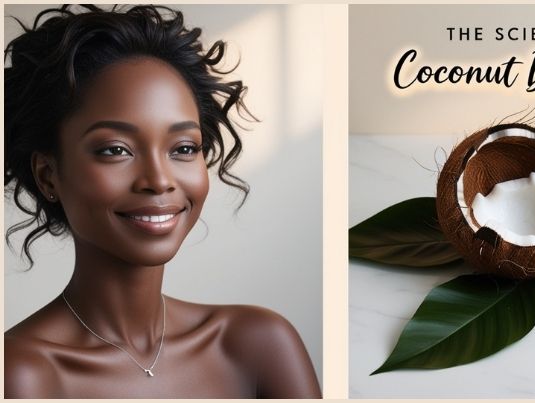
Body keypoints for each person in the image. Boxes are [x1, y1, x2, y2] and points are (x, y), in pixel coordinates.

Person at [3, 5, 321, 398]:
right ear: (48, 175)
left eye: (184, 148)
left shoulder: (259, 344)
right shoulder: (21, 374)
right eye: (115, 150)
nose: (158, 181)